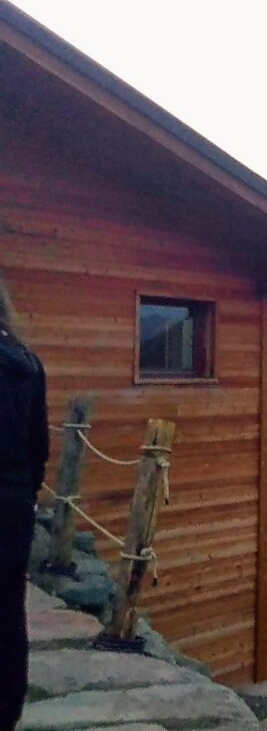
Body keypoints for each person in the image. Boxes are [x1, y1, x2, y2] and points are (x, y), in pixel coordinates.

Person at [0, 280, 48, 731]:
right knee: (10, 611)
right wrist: (24, 496)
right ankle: (7, 709)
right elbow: (40, 449)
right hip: (12, 509)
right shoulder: (29, 364)